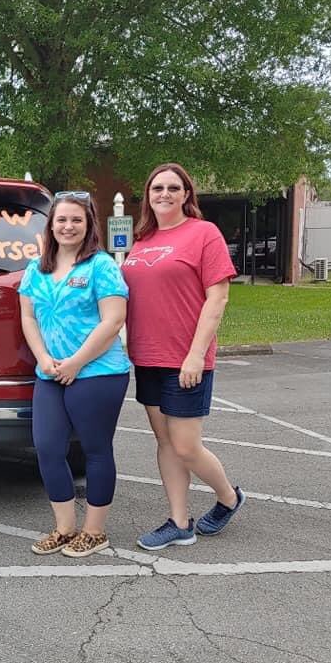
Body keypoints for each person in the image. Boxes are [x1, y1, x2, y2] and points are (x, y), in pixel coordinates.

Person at [121, 163, 245, 551]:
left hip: (186, 359)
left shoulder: (204, 234)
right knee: (165, 443)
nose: (165, 194)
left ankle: (228, 497)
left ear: (187, 194)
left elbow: (218, 297)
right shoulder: (141, 240)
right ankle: (179, 522)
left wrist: (195, 355)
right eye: (158, 187)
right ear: (149, 195)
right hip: (147, 357)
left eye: (175, 188)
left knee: (187, 445)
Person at [19, 192, 130, 558]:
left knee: (96, 450)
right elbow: (29, 318)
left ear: (88, 225)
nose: (68, 226)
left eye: (76, 220)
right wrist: (44, 358)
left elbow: (114, 320)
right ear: (51, 224)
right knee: (48, 449)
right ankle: (65, 528)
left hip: (97, 371)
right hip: (50, 372)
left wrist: (77, 362)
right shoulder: (36, 268)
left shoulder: (101, 266)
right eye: (61, 220)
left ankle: (94, 531)